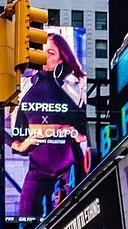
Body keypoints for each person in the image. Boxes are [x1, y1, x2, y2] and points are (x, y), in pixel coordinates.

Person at [11, 32, 88, 218]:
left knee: (75, 218)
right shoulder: (25, 87)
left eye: (51, 52)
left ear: (62, 59)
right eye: (42, 52)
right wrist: (23, 144)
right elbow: (16, 139)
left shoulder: (75, 87)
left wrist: (72, 133)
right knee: (25, 216)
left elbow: (87, 132)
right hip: (37, 168)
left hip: (69, 165)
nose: (45, 57)